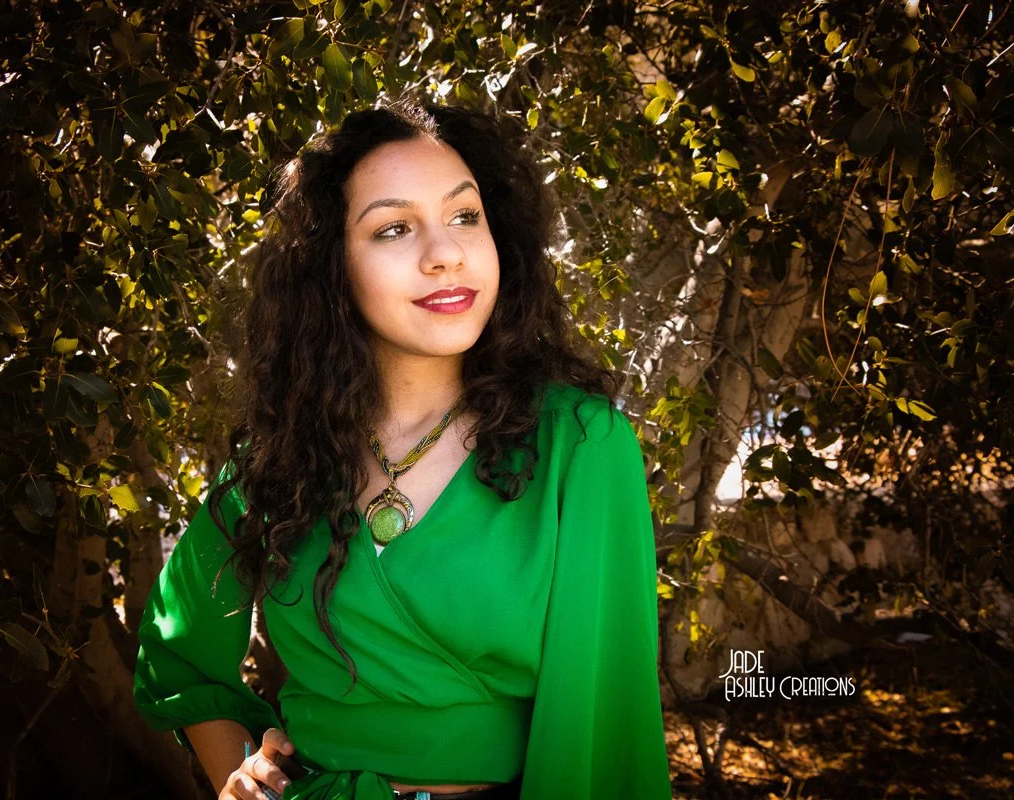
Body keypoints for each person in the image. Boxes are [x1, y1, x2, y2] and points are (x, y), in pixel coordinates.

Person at [132, 96, 672, 800]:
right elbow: (180, 653)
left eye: (464, 216)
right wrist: (238, 774)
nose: (445, 253)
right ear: (332, 268)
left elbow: (604, 733)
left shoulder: (580, 445)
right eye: (393, 229)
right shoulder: (282, 459)